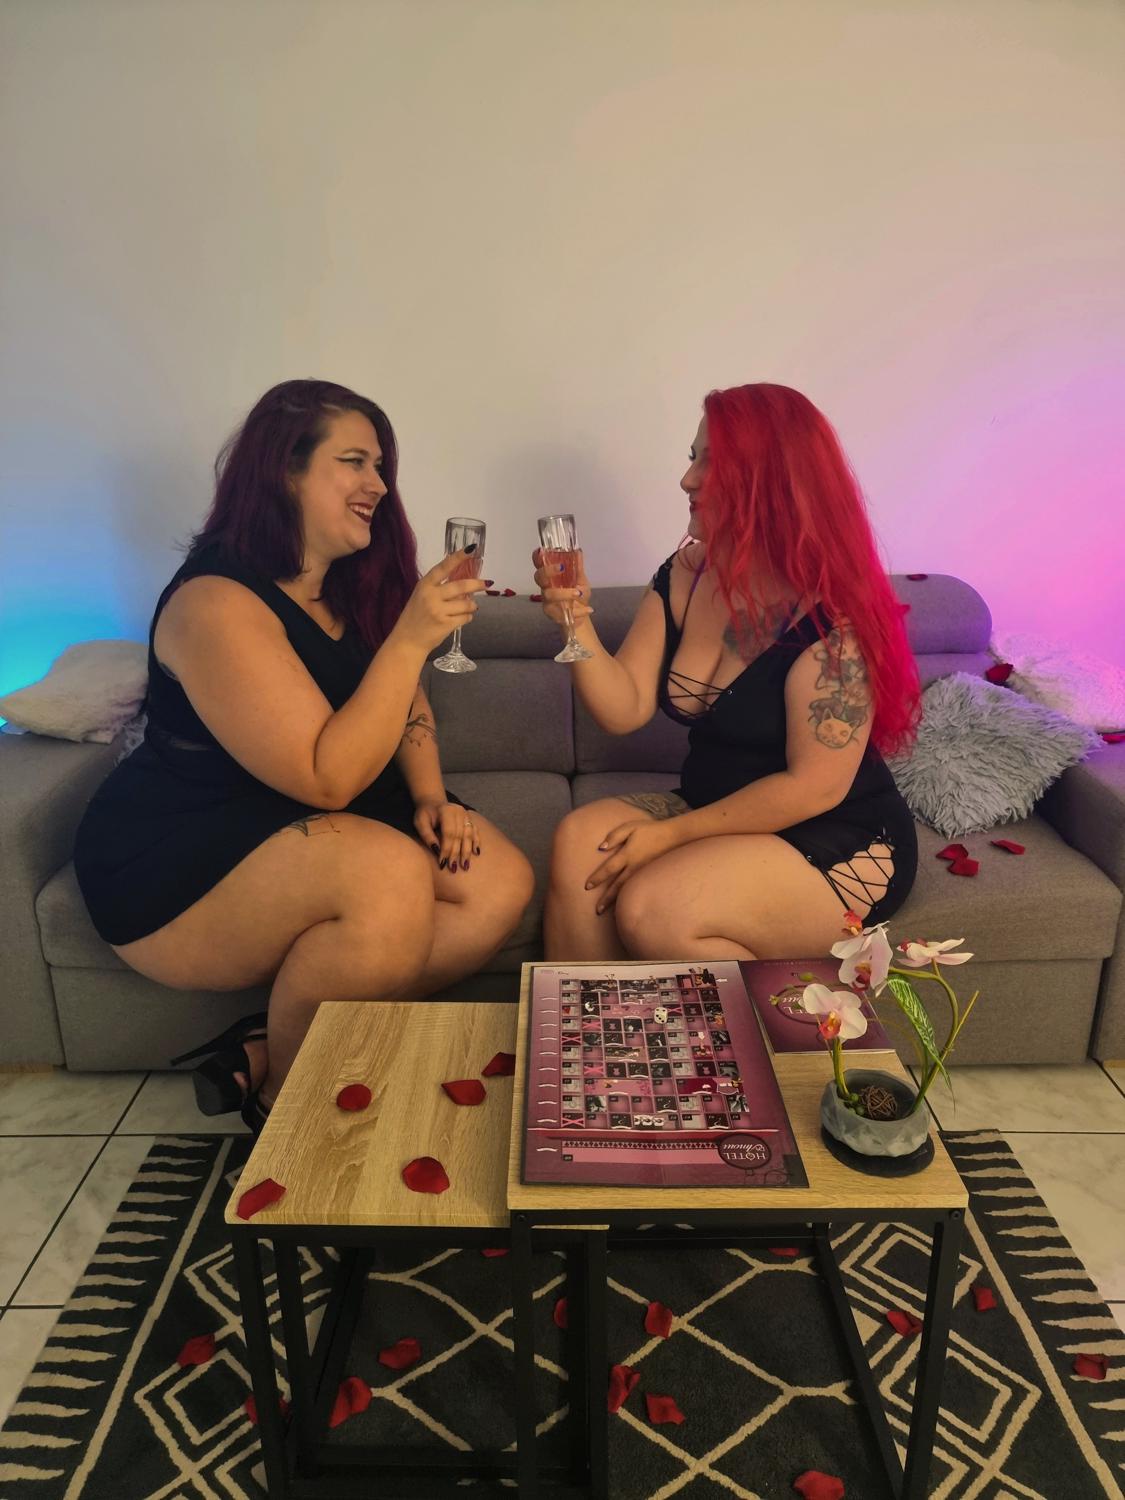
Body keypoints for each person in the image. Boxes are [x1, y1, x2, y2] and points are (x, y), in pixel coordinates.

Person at [74, 380, 534, 1129]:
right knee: (388, 877)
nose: (378, 485)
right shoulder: (216, 603)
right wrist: (411, 639)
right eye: (353, 462)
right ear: (283, 471)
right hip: (180, 846)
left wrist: (429, 796)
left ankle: (265, 1040)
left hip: (292, 818)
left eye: (381, 467)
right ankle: (287, 1112)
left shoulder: (349, 586)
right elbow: (328, 780)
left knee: (498, 883)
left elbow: (407, 703)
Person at [534, 382, 920, 964]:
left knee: (654, 908)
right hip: (716, 809)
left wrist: (669, 836)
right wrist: (573, 619)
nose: (687, 480)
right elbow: (623, 708)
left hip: (835, 833)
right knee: (578, 841)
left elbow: (814, 787)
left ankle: (740, 1024)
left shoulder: (833, 621)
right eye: (693, 458)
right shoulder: (686, 574)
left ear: (771, 480)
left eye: (711, 463)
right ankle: (584, 1016)